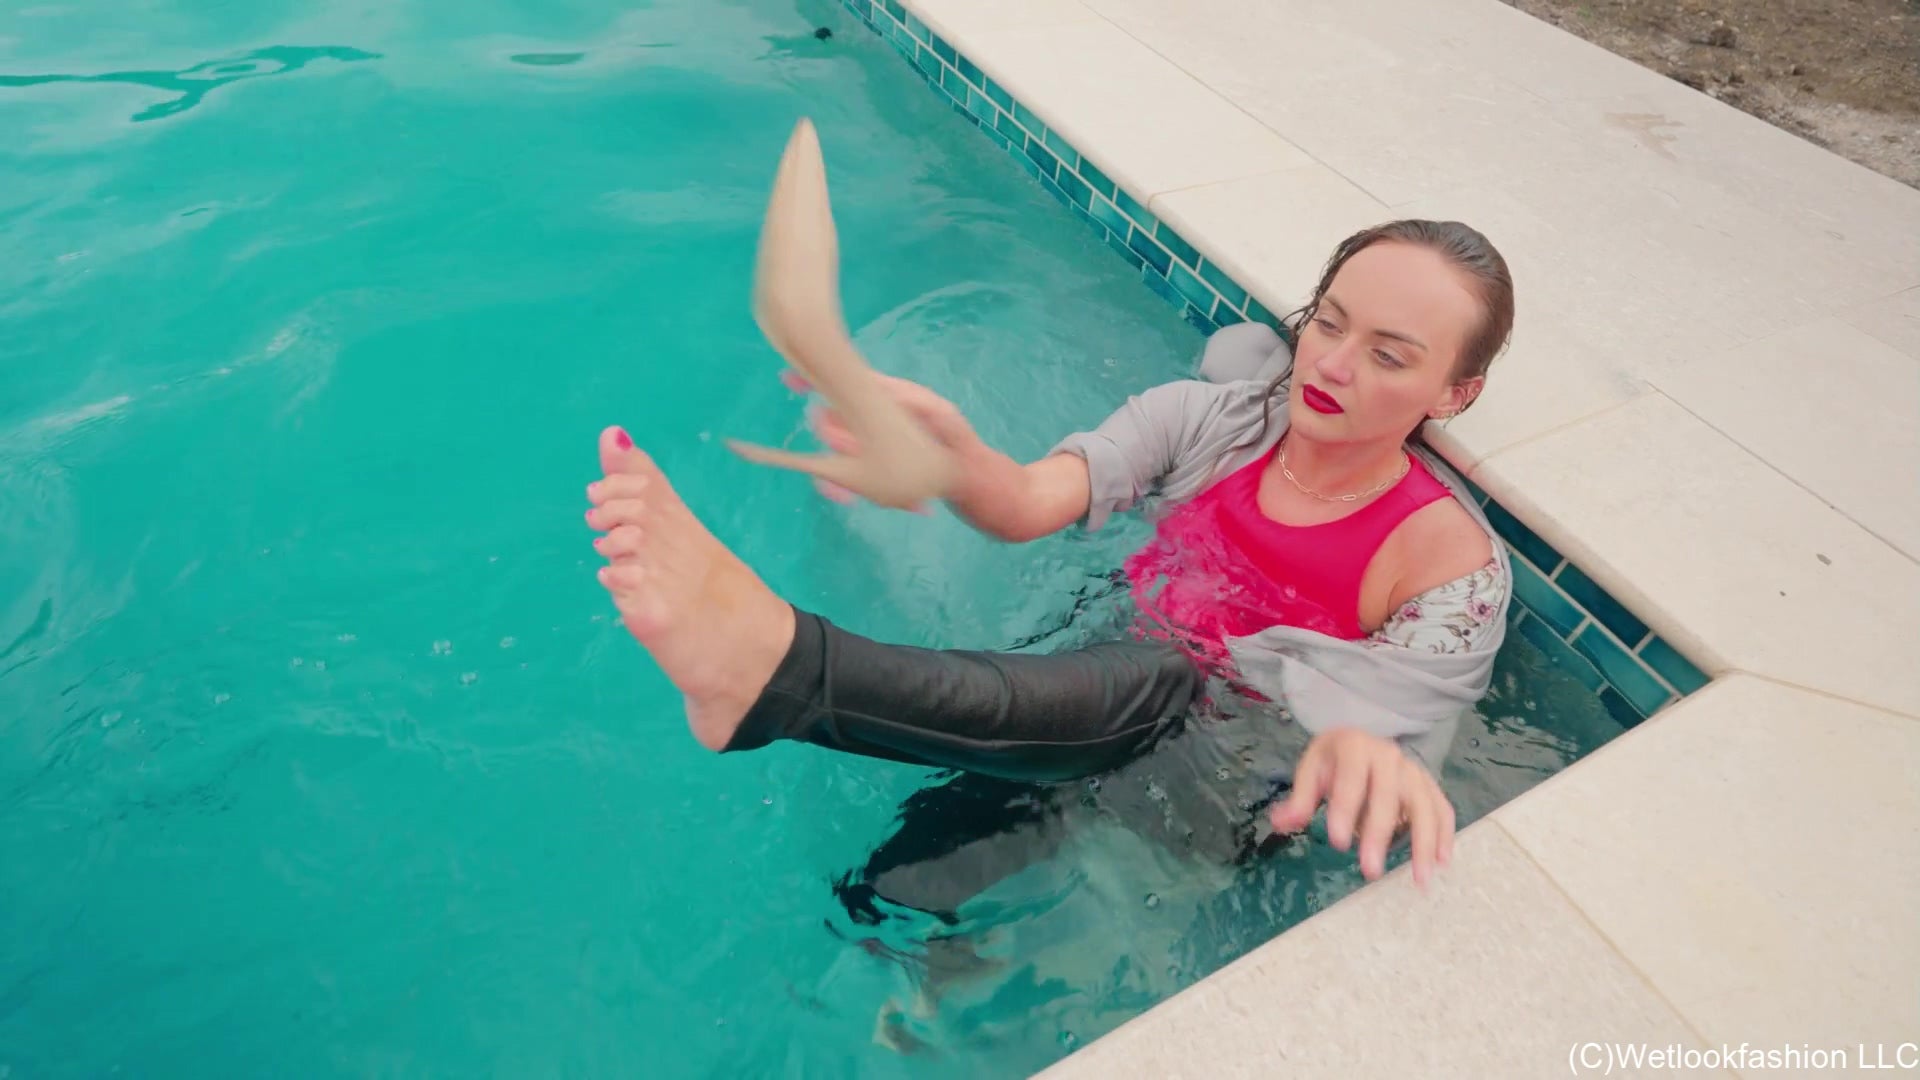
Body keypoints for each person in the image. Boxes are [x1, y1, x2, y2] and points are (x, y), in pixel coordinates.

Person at [583, 219, 1515, 930]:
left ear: (1454, 395)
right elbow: (1030, 502)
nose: (1335, 364)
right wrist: (953, 456)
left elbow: (1394, 740)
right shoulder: (1213, 422)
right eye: (1330, 323)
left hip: (1225, 779)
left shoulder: (1449, 570)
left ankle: (778, 669)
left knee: (1162, 676)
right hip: (1085, 687)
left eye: (1388, 356)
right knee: (896, 891)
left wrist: (1358, 740)